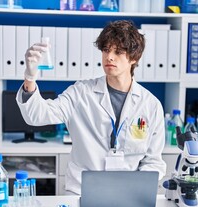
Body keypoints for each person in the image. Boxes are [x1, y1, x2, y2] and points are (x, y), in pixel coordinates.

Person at [16, 20, 166, 195]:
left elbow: (153, 161)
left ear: (134, 58)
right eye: (106, 50)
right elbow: (37, 116)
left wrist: (136, 191)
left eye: (118, 52)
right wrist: (30, 77)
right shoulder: (81, 93)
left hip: (128, 195)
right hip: (81, 193)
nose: (109, 57)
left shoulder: (150, 105)